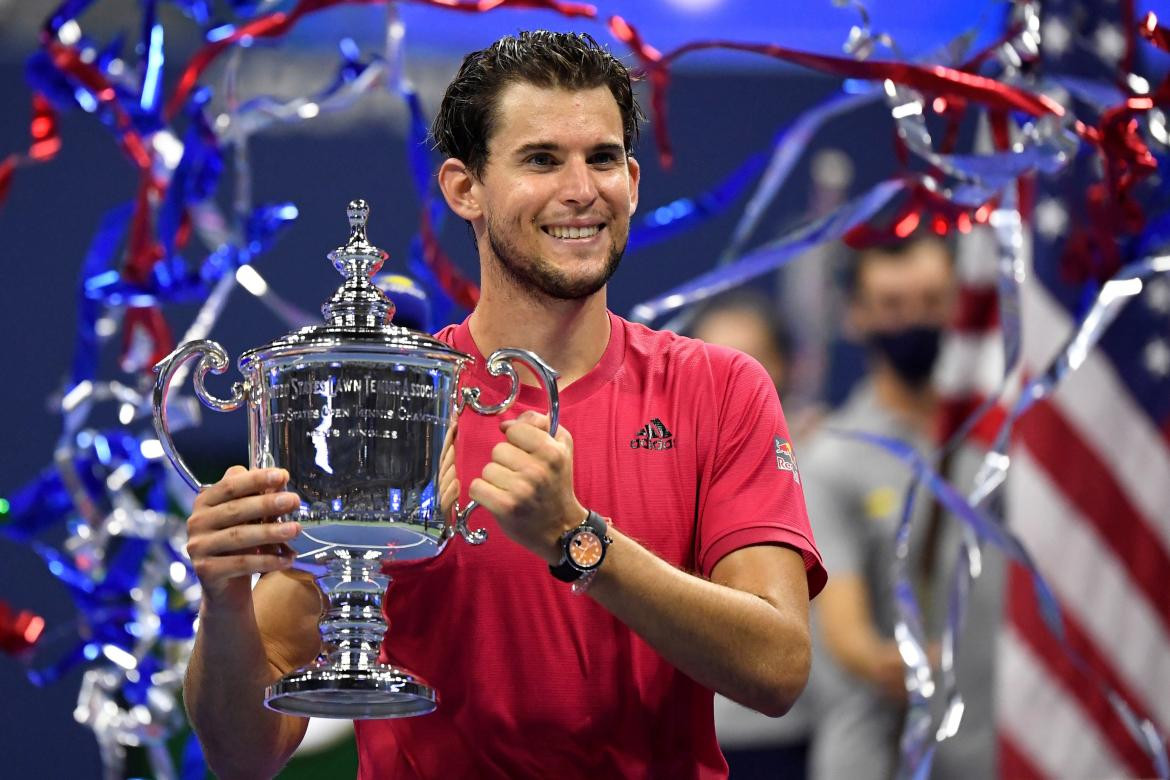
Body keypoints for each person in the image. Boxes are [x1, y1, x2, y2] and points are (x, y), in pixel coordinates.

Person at [181, 31, 825, 779]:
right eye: (542, 159)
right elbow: (243, 755)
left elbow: (778, 668)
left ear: (635, 181)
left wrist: (578, 541)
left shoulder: (719, 389)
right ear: (465, 189)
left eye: (604, 158)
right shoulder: (386, 401)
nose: (582, 189)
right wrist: (224, 599)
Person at [800, 234, 1001, 780]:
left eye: (932, 302)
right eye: (892, 305)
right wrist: (882, 659)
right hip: (880, 759)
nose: (914, 319)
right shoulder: (831, 458)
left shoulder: (999, 437)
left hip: (993, 755)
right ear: (857, 316)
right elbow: (842, 622)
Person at [687, 291, 817, 779]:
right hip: (695, 737)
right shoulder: (659, 463)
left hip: (791, 735)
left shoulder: (820, 462)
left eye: (749, 363)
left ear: (784, 367)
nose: (730, 383)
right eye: (716, 362)